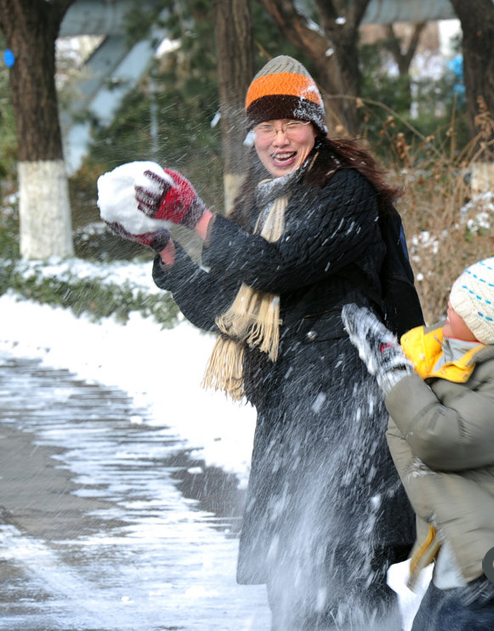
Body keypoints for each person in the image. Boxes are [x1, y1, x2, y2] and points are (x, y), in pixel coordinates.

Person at [98, 55, 419, 630]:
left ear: (315, 126)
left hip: (347, 402)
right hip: (289, 408)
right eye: (265, 127)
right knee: (292, 584)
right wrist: (167, 250)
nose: (279, 138)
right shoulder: (262, 202)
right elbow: (226, 310)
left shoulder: (346, 193)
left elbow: (278, 266)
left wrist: (197, 215)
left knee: (346, 573)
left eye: (291, 123)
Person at [341, 256, 494, 631]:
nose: (449, 308)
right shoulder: (459, 355)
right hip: (471, 543)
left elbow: (440, 438)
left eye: (461, 309)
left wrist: (393, 370)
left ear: (487, 326)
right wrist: (392, 353)